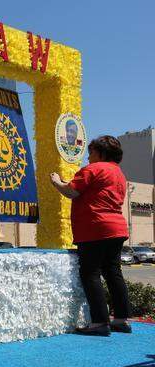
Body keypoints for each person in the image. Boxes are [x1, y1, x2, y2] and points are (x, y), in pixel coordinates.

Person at [50, 135, 131, 336]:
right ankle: (121, 320)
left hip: (95, 228)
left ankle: (99, 322)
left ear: (101, 153)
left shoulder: (93, 169)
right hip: (117, 228)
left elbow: (71, 192)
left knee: (90, 273)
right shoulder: (119, 174)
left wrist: (56, 181)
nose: (88, 157)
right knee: (113, 272)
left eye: (92, 152)